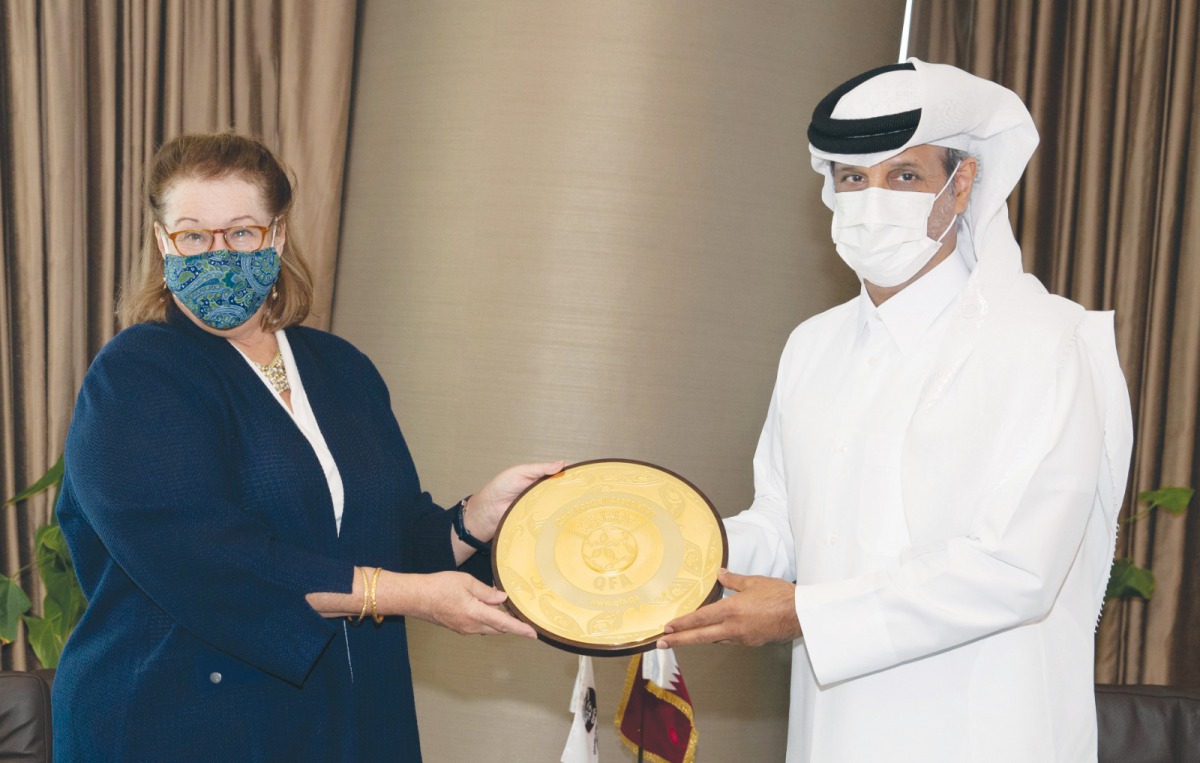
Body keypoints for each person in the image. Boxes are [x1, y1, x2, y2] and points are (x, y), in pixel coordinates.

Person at [659, 60, 1133, 762]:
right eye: (853, 178)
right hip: (833, 731)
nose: (871, 198)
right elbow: (784, 523)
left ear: (962, 181)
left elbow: (1016, 568)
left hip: (985, 731)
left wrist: (801, 612)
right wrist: (671, 553)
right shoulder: (812, 345)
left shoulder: (1044, 342)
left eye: (903, 176)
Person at [53, 132, 559, 762]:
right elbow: (210, 559)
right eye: (192, 235)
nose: (217, 253)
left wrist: (478, 516)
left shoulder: (340, 368)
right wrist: (408, 596)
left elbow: (388, 540)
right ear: (163, 243)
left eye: (240, 232)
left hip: (343, 716)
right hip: (181, 721)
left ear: (277, 235)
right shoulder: (134, 376)